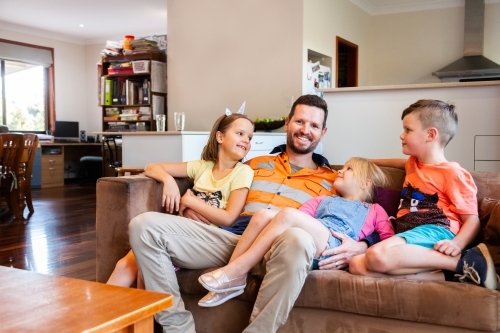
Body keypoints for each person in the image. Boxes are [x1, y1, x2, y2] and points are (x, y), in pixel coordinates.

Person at [128, 95, 375, 333]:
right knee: (143, 225)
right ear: (287, 123)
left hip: (281, 248)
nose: (305, 130)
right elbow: (218, 182)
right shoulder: (253, 164)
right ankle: (178, 329)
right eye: (299, 121)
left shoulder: (334, 179)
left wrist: (363, 245)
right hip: (232, 240)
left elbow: (368, 210)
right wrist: (189, 201)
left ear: (323, 132)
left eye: (314, 125)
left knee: (299, 240)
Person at [197, 157, 394, 307]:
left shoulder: (375, 210)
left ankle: (236, 272)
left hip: (334, 247)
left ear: (365, 183)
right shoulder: (323, 199)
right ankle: (230, 281)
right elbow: (293, 219)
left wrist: (363, 248)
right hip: (311, 240)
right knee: (262, 215)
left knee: (288, 215)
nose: (340, 170)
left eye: (349, 169)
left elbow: (390, 243)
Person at [349, 99, 498, 290]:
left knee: (376, 256)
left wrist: (457, 245)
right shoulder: (413, 163)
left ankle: (463, 261)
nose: (401, 135)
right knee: (356, 266)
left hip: (435, 229)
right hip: (411, 234)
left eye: (408, 130)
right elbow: (398, 163)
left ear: (430, 134)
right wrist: (366, 161)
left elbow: (472, 220)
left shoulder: (453, 173)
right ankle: (449, 275)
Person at [106, 111, 255, 288]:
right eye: (240, 133)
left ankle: (146, 313)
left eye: (250, 137)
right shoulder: (202, 167)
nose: (246, 140)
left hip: (206, 237)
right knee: (125, 265)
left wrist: (191, 202)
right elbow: (151, 167)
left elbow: (229, 218)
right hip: (181, 228)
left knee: (144, 263)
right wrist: (168, 181)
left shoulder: (243, 172)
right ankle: (103, 315)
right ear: (220, 137)